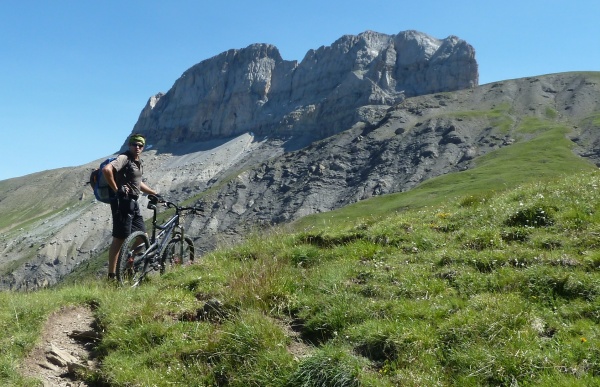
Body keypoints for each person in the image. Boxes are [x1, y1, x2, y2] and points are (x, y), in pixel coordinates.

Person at [102, 133, 159, 280]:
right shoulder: (124, 158)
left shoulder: (137, 161)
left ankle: (129, 264)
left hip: (133, 202)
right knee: (119, 238)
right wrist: (117, 190)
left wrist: (153, 192)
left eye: (141, 145)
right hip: (122, 202)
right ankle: (112, 276)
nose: (138, 147)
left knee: (143, 237)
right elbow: (107, 170)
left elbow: (137, 183)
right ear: (130, 145)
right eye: (135, 144)